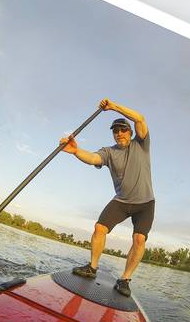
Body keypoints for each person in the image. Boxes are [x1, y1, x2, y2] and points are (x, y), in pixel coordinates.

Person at [60, 98, 154, 297]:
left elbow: (140, 118)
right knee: (99, 228)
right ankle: (92, 268)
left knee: (139, 239)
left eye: (123, 129)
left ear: (130, 132)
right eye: (115, 131)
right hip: (121, 201)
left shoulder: (141, 144)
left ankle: (125, 279)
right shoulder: (109, 152)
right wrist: (75, 151)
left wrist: (113, 107)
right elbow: (93, 158)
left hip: (145, 203)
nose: (119, 133)